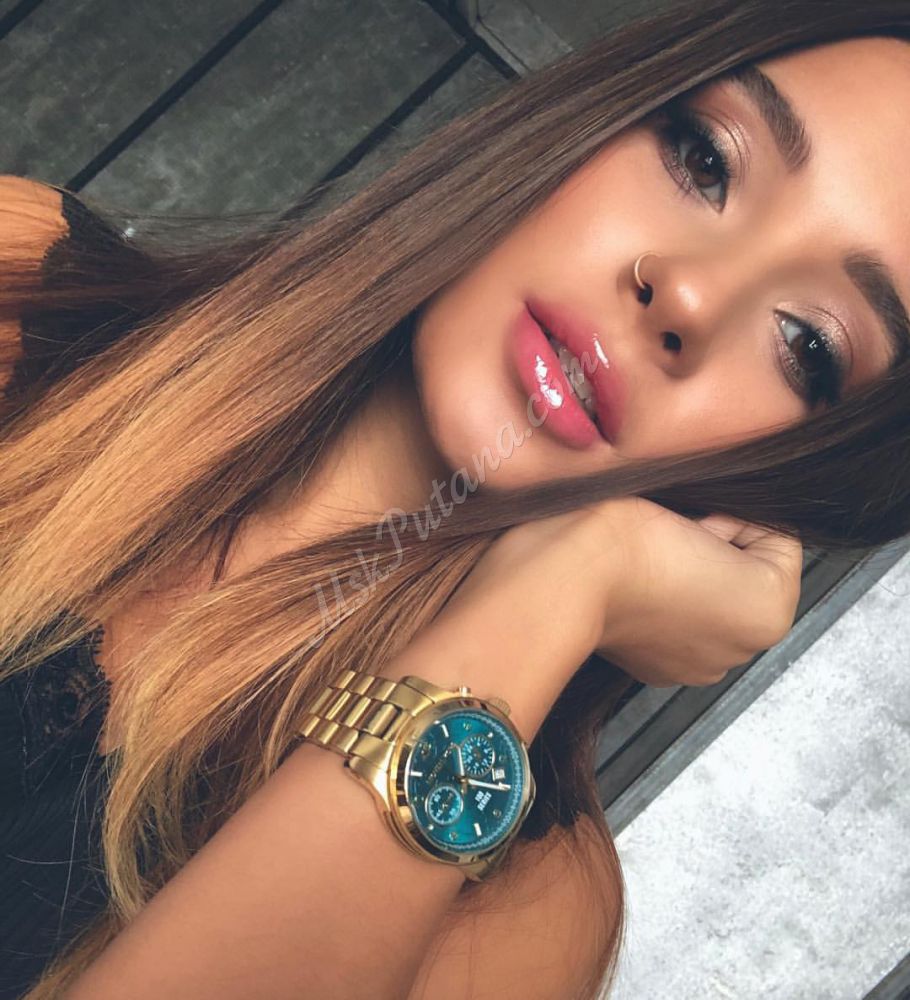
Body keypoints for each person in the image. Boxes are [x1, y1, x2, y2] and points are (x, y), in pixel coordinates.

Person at [1, 2, 909, 996]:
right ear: (593, 114)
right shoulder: (22, 286)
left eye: (808, 345)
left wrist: (571, 581)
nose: (691, 295)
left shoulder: (524, 911)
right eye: (706, 160)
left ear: (806, 476)